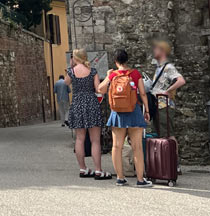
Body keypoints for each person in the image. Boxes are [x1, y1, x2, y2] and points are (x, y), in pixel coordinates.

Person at [97, 48, 152, 187]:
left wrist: (109, 75)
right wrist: (147, 110)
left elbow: (100, 89)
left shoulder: (113, 74)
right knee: (137, 147)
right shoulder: (135, 73)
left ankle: (120, 178)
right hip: (134, 111)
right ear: (127, 60)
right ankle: (140, 179)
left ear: (116, 62)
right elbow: (143, 93)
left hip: (117, 113)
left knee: (116, 146)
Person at [65, 50, 112, 179]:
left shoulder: (71, 72)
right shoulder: (92, 71)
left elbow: (66, 83)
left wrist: (71, 66)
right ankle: (98, 170)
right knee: (95, 140)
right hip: (91, 103)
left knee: (79, 139)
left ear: (75, 58)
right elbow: (98, 89)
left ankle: (83, 168)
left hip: (77, 104)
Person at [148, 40, 185, 133]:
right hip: (159, 105)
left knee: (167, 134)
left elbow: (181, 80)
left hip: (164, 105)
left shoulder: (168, 67)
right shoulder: (159, 68)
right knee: (162, 134)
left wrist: (167, 91)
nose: (154, 52)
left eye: (156, 50)